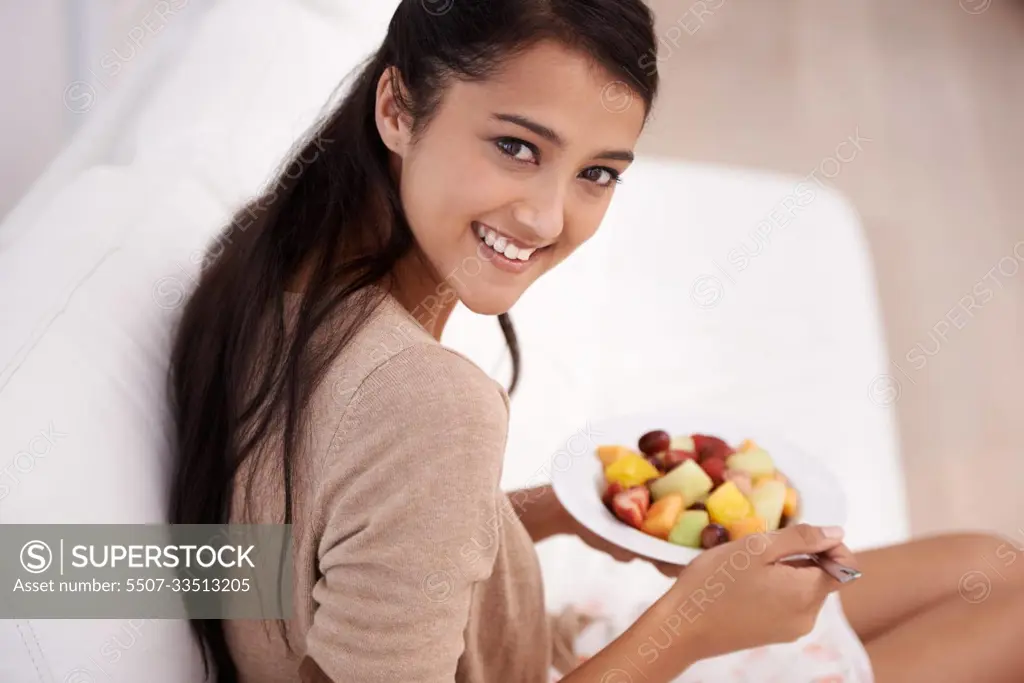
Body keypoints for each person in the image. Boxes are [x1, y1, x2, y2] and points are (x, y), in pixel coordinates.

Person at [166, 1, 1024, 682]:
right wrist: (692, 623)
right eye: (515, 146)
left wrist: (559, 511)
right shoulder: (426, 401)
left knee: (990, 562)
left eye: (596, 173)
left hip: (546, 649)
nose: (547, 216)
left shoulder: (265, 265)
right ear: (397, 106)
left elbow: (332, 562)